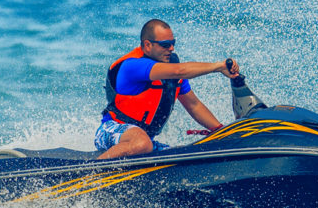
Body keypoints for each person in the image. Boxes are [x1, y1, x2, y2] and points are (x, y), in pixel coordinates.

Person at [95, 19, 239, 159]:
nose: (171, 48)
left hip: (145, 142)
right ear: (147, 45)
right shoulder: (133, 66)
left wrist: (221, 131)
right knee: (142, 143)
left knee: (184, 156)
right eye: (165, 45)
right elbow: (179, 71)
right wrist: (218, 66)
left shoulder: (171, 74)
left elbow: (194, 106)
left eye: (172, 43)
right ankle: (91, 174)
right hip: (111, 131)